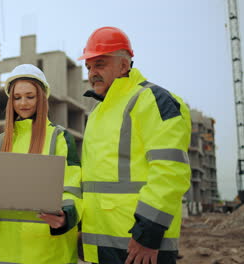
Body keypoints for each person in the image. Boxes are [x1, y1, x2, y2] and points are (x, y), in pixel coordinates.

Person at [78, 26, 192, 264]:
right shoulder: (99, 111)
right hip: (103, 243)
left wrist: (148, 234)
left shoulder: (152, 100)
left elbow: (170, 172)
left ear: (123, 65)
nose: (92, 73)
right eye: (89, 67)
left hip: (140, 246)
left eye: (99, 64)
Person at [0, 64, 82, 264]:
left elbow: (73, 188)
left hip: (48, 254)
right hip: (2, 253)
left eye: (30, 96)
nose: (23, 103)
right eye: (17, 97)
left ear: (42, 98)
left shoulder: (59, 138)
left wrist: (65, 216)